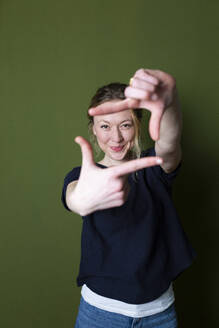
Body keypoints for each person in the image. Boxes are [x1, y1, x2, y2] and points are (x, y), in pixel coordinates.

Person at [61, 68, 197, 328]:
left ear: (138, 124)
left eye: (125, 125)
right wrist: (80, 199)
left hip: (160, 313)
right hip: (100, 313)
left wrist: (170, 104)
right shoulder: (83, 175)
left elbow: (169, 144)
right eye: (105, 126)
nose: (116, 137)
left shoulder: (153, 167)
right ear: (93, 129)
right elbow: (74, 195)